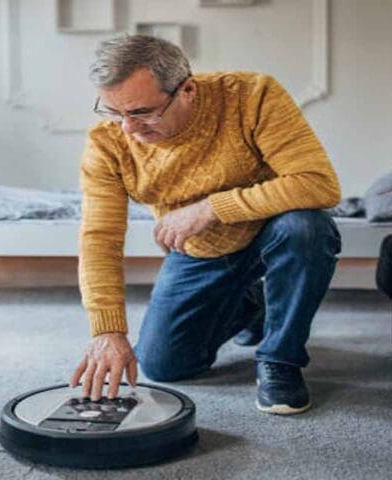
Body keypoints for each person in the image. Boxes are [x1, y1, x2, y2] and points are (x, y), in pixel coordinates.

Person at [69, 35, 342, 415]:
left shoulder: (252, 95)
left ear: (187, 90)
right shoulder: (107, 143)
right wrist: (107, 330)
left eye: (142, 112)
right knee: (166, 365)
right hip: (204, 251)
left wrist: (211, 208)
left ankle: (281, 360)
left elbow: (318, 182)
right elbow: (100, 238)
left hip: (274, 232)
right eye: (114, 112)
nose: (128, 129)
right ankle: (253, 304)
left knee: (308, 227)